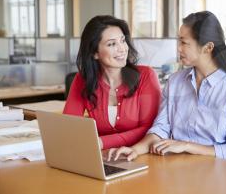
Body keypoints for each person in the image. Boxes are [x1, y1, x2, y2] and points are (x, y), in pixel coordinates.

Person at [109, 11, 226, 162]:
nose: (178, 48)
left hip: (214, 176)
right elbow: (161, 129)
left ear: (208, 47)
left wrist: (186, 146)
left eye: (184, 42)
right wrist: (134, 150)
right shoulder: (175, 82)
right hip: (175, 171)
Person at [63, 15, 161, 150]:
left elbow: (150, 129)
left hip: (139, 155)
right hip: (101, 156)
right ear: (94, 53)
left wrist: (102, 142)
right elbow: (68, 125)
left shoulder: (146, 76)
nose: (122, 49)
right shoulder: (83, 79)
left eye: (122, 41)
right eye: (112, 44)